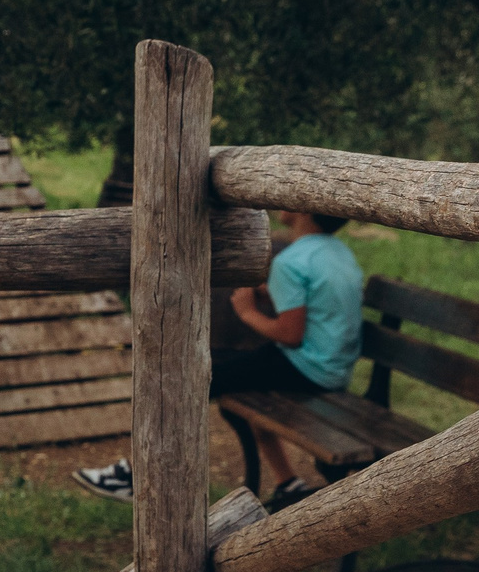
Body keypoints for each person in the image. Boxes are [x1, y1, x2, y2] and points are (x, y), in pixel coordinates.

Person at [74, 208, 363, 508]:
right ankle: (288, 482)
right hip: (332, 366)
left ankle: (138, 477)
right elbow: (320, 304)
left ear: (300, 210)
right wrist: (272, 294)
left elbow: (291, 334)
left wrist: (248, 313)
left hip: (307, 369)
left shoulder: (291, 261)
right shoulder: (338, 252)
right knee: (223, 371)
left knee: (191, 381)